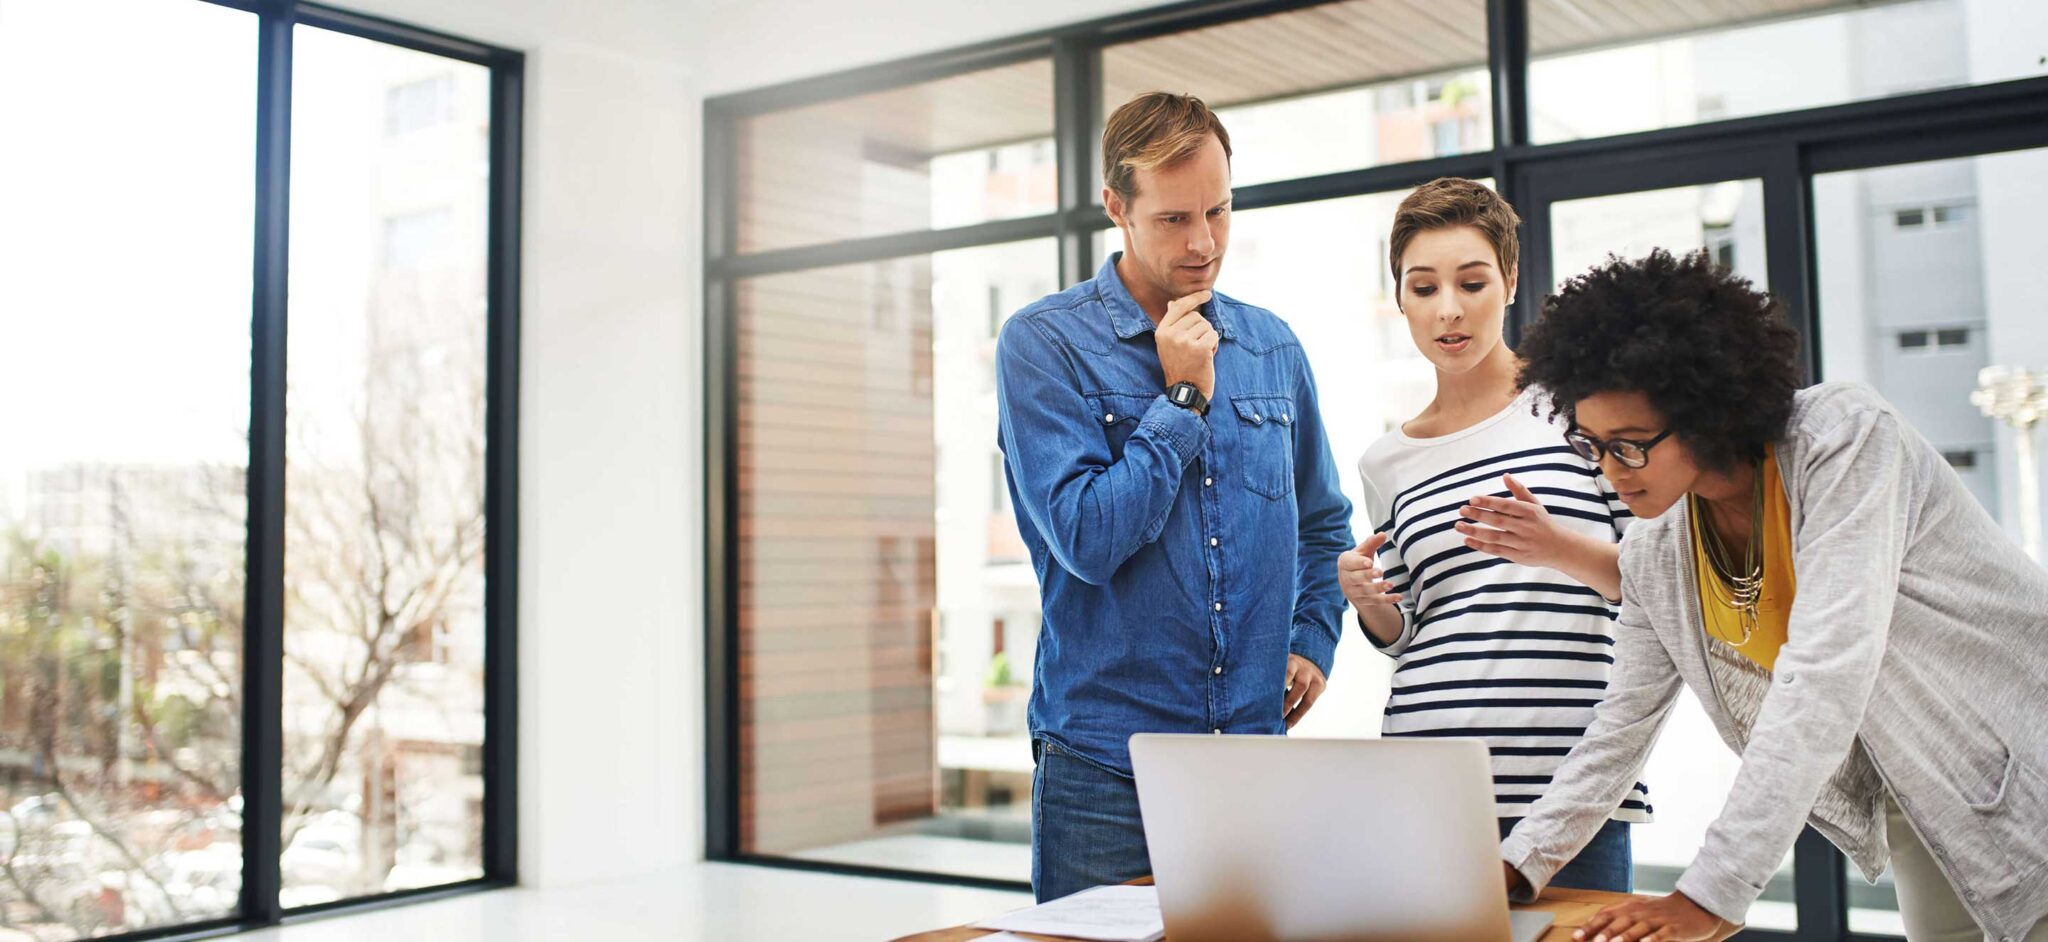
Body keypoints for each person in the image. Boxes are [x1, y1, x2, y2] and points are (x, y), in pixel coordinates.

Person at [1500, 248, 2048, 942]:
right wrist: (1519, 864)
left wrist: (1711, 894)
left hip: (2029, 764)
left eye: (1633, 444)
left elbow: (1824, 674)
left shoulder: (1844, 440)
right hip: (1925, 810)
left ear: (1704, 411)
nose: (1611, 471)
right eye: (1594, 444)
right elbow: (1621, 727)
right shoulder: (1656, 550)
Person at [994, 91, 1352, 903]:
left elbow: (1323, 522)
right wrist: (1184, 400)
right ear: (1116, 207)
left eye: (1219, 211)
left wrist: (1312, 639)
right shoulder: (1044, 345)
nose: (1204, 243)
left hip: (1250, 760)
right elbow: (1085, 539)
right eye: (1173, 220)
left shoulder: (1271, 346)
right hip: (1105, 767)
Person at [1338, 177, 1646, 894]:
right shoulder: (1387, 460)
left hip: (1571, 789)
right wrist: (1369, 602)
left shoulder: (1582, 408)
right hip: (1427, 786)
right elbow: (1409, 633)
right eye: (1423, 287)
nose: (1448, 309)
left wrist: (1555, 546)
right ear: (1400, 299)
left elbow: (1659, 581)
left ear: (1508, 281)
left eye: (1471, 282)